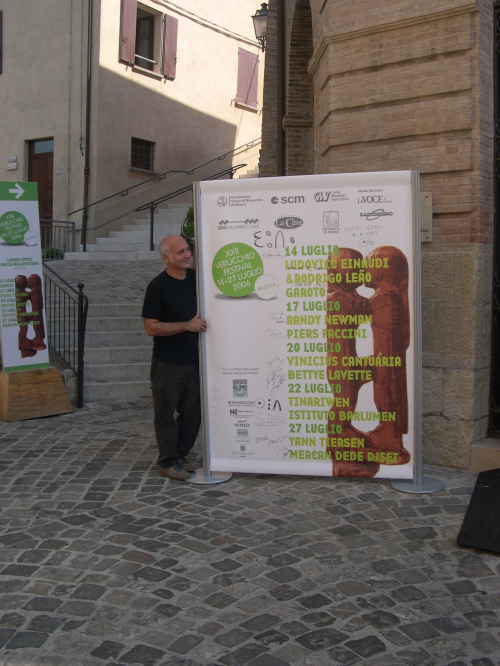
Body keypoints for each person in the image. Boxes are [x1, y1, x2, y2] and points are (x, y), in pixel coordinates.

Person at [142, 235, 207, 480]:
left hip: (196, 361)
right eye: (180, 252)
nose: (187, 255)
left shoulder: (196, 280)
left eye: (187, 250)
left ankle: (180, 455)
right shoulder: (157, 287)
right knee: (166, 414)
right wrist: (186, 326)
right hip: (168, 363)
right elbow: (151, 328)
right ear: (166, 258)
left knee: (193, 414)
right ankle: (168, 461)